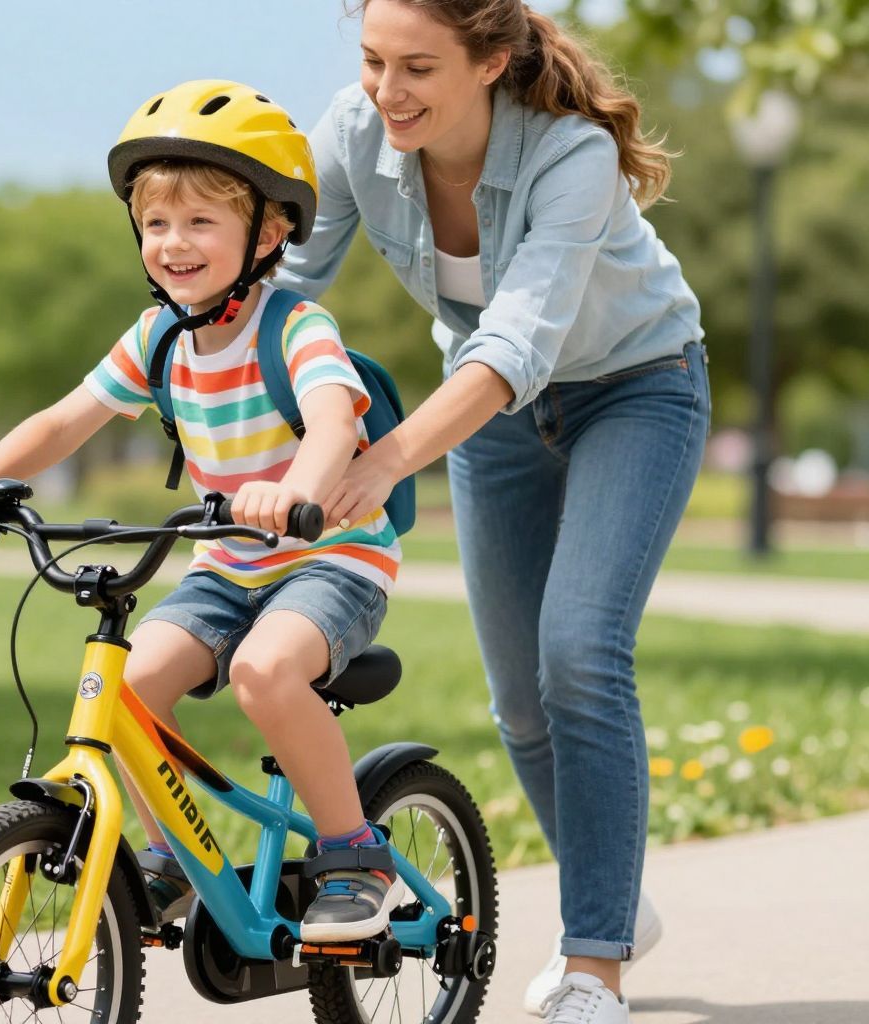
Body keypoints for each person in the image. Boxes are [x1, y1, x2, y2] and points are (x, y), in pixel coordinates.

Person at [276, 2, 709, 1020]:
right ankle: (617, 898)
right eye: (376, 61)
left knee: (580, 652)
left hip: (635, 386)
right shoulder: (352, 134)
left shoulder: (571, 156)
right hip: (493, 416)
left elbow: (518, 339)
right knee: (519, 698)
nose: (388, 92)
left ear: (493, 60)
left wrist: (381, 461)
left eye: (418, 67)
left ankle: (593, 965)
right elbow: (286, 285)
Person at [0, 80, 406, 943]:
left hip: (330, 559)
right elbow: (67, 418)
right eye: (156, 225)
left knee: (264, 672)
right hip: (226, 562)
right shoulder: (158, 339)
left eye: (200, 223)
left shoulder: (296, 327)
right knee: (129, 686)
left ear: (268, 232)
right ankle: (174, 854)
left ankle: (353, 850)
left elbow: (335, 419)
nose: (173, 244)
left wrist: (297, 489)